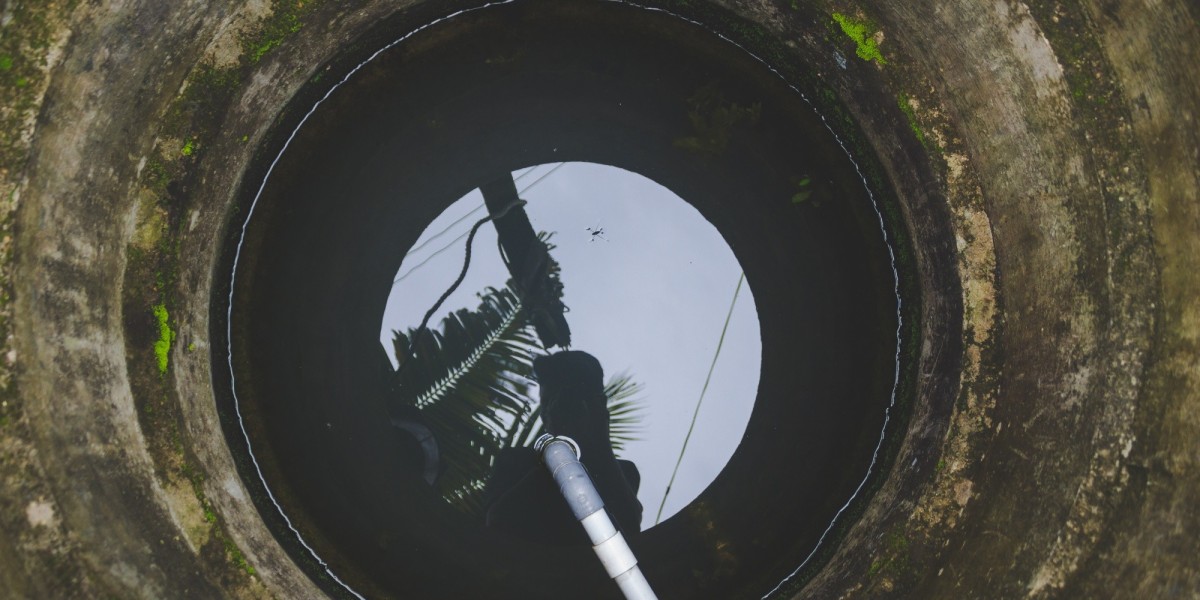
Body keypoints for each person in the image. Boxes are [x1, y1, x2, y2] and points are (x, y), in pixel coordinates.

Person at [484, 351, 643, 545]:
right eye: (546, 403)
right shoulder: (516, 460)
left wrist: (600, 444)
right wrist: (560, 454)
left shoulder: (625, 472)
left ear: (598, 404)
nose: (548, 412)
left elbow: (630, 528)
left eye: (562, 400)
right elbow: (497, 522)